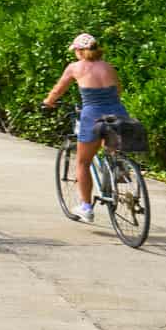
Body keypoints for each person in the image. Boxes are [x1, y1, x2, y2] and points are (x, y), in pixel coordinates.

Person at [42, 31, 126, 222]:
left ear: (79, 51)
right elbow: (118, 91)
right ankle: (118, 168)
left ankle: (86, 207)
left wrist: (48, 102)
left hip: (93, 115)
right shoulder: (108, 67)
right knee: (112, 150)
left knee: (83, 162)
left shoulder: (75, 67)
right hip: (117, 112)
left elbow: (58, 90)